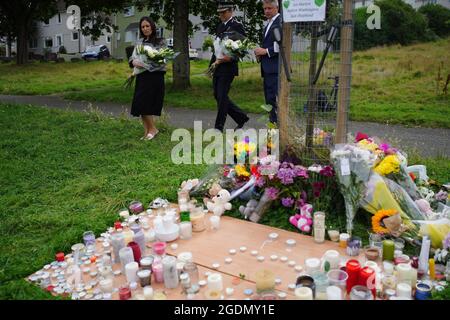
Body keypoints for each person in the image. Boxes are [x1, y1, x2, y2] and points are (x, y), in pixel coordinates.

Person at [210, 1, 250, 132]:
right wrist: (212, 65)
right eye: (219, 12)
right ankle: (241, 117)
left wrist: (231, 57)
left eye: (223, 12)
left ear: (231, 11)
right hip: (218, 66)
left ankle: (218, 127)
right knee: (218, 95)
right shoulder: (220, 26)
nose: (221, 14)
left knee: (222, 96)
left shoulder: (237, 26)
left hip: (228, 67)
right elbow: (217, 48)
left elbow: (243, 49)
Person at [129, 17, 166, 140]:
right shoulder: (139, 42)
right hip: (142, 77)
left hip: (154, 77)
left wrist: (148, 63)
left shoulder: (160, 41)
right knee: (140, 104)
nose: (145, 29)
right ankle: (148, 131)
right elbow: (132, 57)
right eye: (143, 27)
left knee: (147, 105)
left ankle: (152, 130)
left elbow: (162, 61)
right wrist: (134, 61)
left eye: (147, 26)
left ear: (152, 26)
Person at [254, 0, 281, 125]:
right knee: (269, 100)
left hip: (276, 69)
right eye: (265, 9)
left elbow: (282, 46)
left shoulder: (279, 22)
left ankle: (276, 127)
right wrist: (260, 54)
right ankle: (273, 127)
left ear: (277, 8)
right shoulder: (268, 24)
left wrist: (265, 51)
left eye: (269, 8)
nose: (267, 11)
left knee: (275, 100)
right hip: (268, 68)